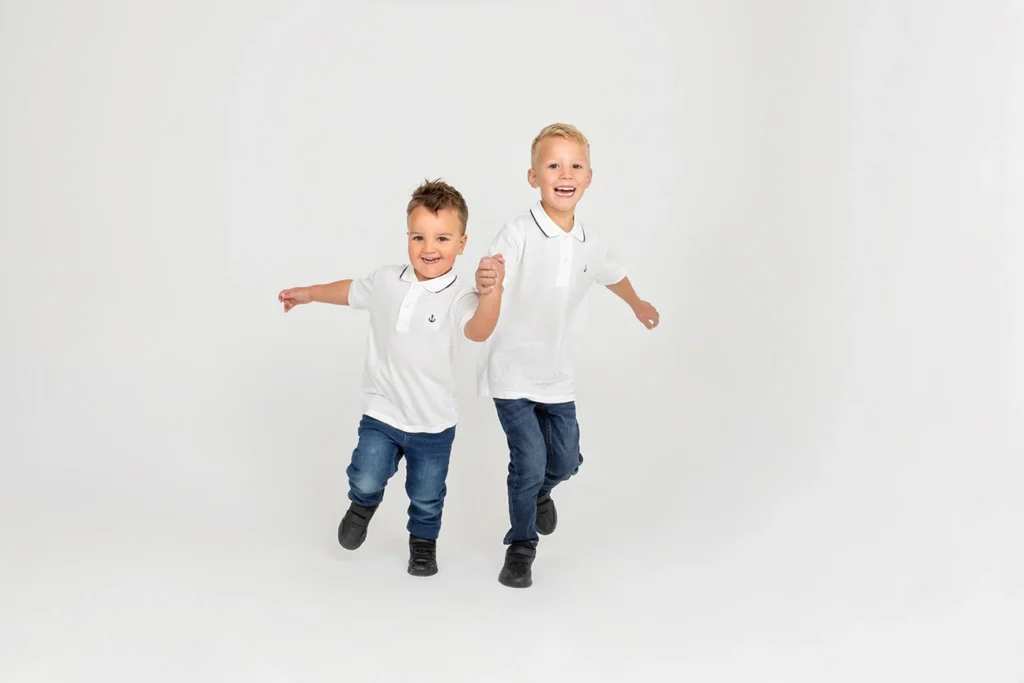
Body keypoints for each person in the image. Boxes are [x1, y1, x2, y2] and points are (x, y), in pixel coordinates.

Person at [278, 179, 506, 577]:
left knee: (426, 494)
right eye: (419, 237)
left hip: (433, 422)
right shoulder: (387, 281)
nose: (429, 248)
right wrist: (310, 293)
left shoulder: (461, 296)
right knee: (366, 474)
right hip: (383, 411)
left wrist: (493, 293)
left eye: (442, 238)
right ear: (407, 237)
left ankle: (423, 544)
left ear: (462, 243)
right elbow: (350, 291)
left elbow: (479, 330)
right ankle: (362, 505)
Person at [475, 123, 660, 588]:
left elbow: (612, 274)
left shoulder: (590, 243)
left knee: (565, 461)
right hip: (512, 373)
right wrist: (487, 279)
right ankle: (521, 546)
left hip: (557, 376)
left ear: (589, 178)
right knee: (528, 462)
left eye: (575, 165)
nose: (565, 174)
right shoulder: (518, 232)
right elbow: (493, 271)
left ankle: (542, 493)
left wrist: (637, 303)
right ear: (533, 177)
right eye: (553, 165)